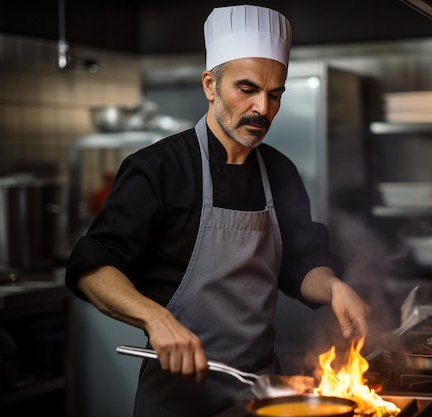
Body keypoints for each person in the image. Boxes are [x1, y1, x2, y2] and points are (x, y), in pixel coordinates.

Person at [65, 4, 370, 417]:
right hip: (177, 401)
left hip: (262, 395)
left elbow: (301, 262)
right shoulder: (157, 169)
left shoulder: (279, 171)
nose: (263, 108)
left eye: (275, 93)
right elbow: (93, 266)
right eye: (247, 89)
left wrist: (334, 287)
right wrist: (155, 319)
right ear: (210, 85)